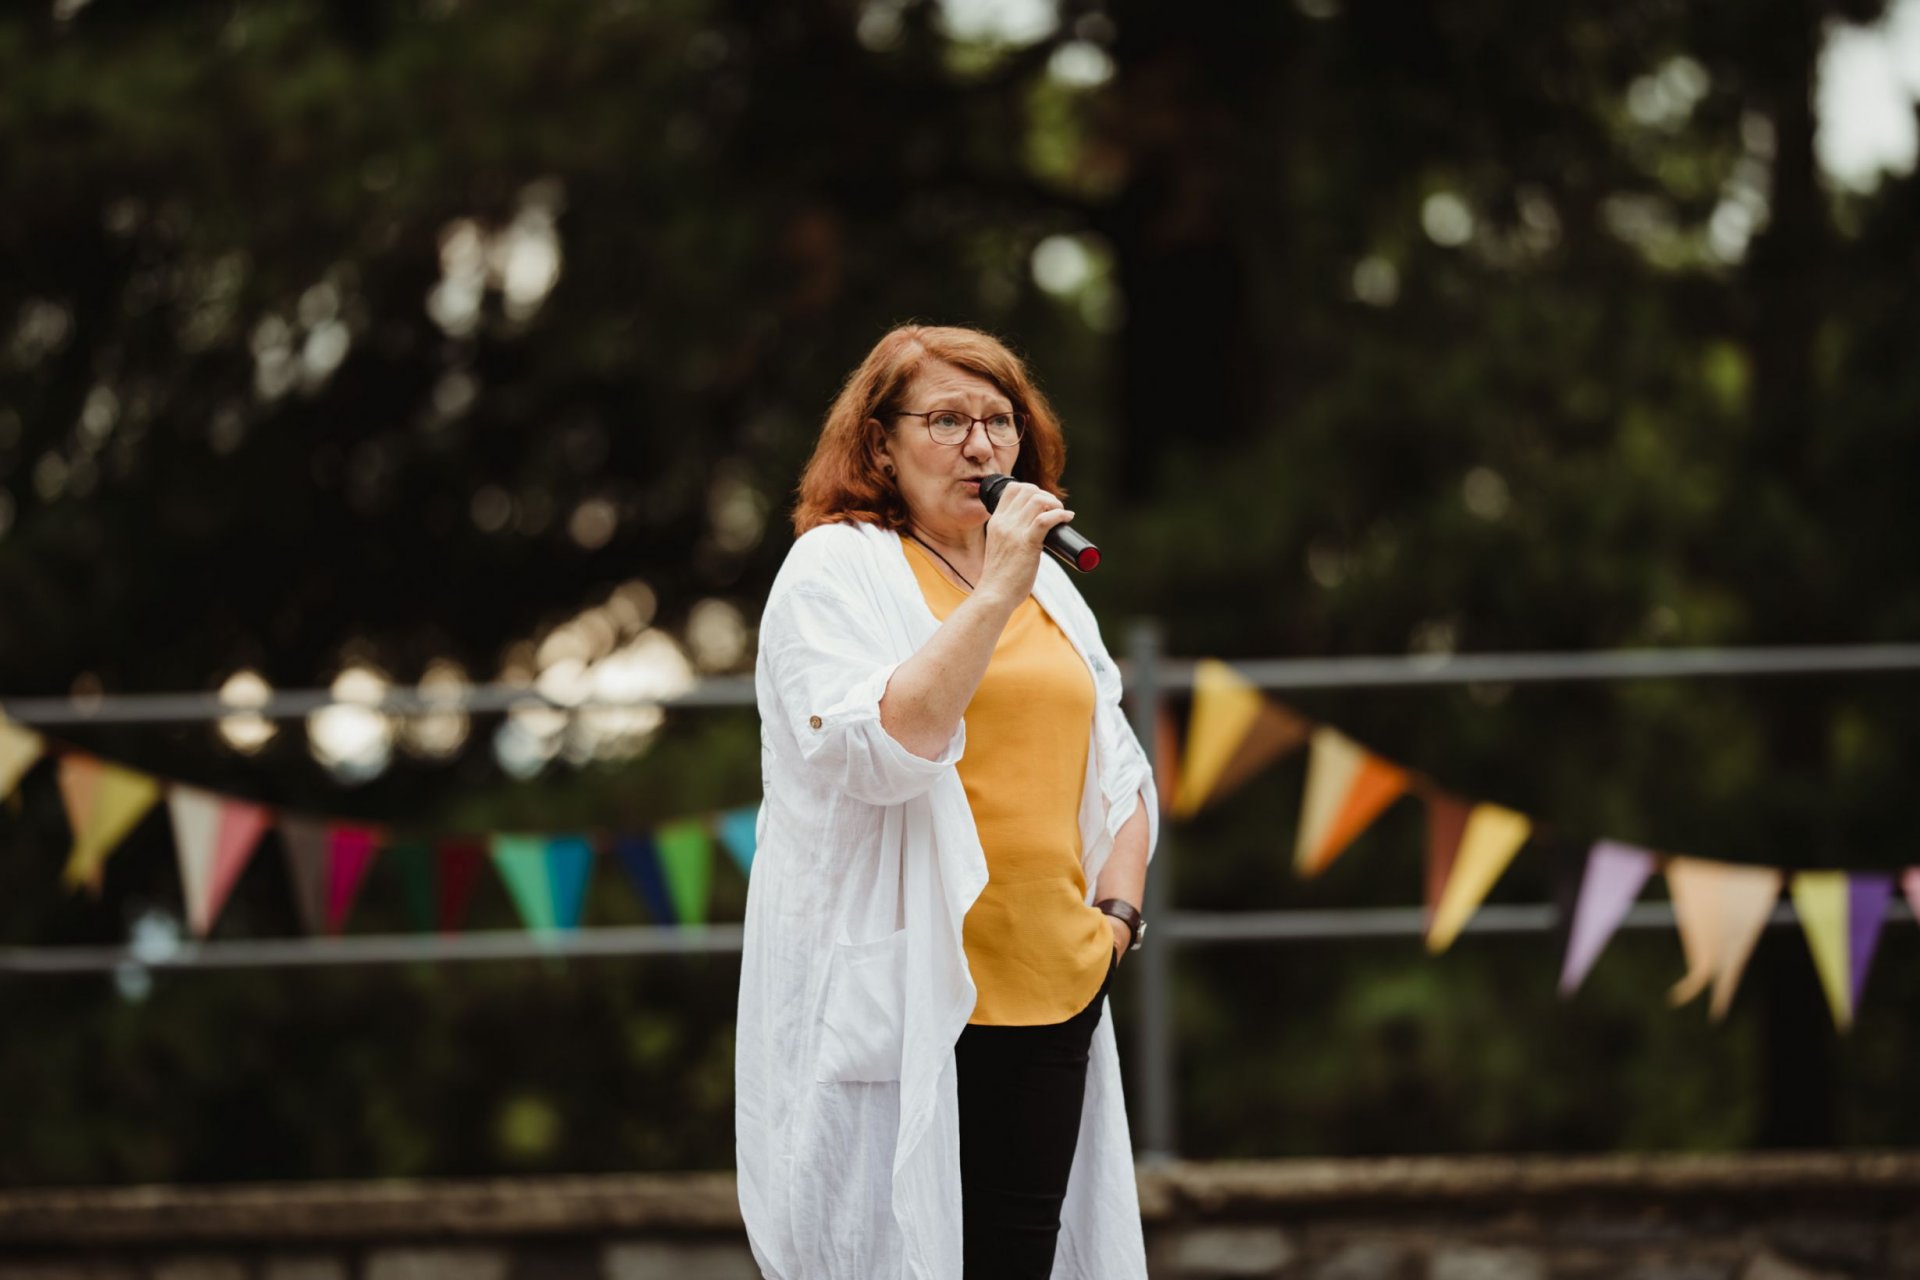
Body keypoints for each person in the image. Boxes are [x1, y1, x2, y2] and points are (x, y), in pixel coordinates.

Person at [735, 323, 1159, 1280]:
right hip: (908, 989)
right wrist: (998, 585)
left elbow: (1119, 770)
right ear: (879, 444)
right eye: (946, 421)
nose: (980, 446)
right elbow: (884, 748)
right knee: (891, 1255)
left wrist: (1116, 921)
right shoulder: (836, 567)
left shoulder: (1056, 591)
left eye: (999, 422)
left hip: (1053, 980)